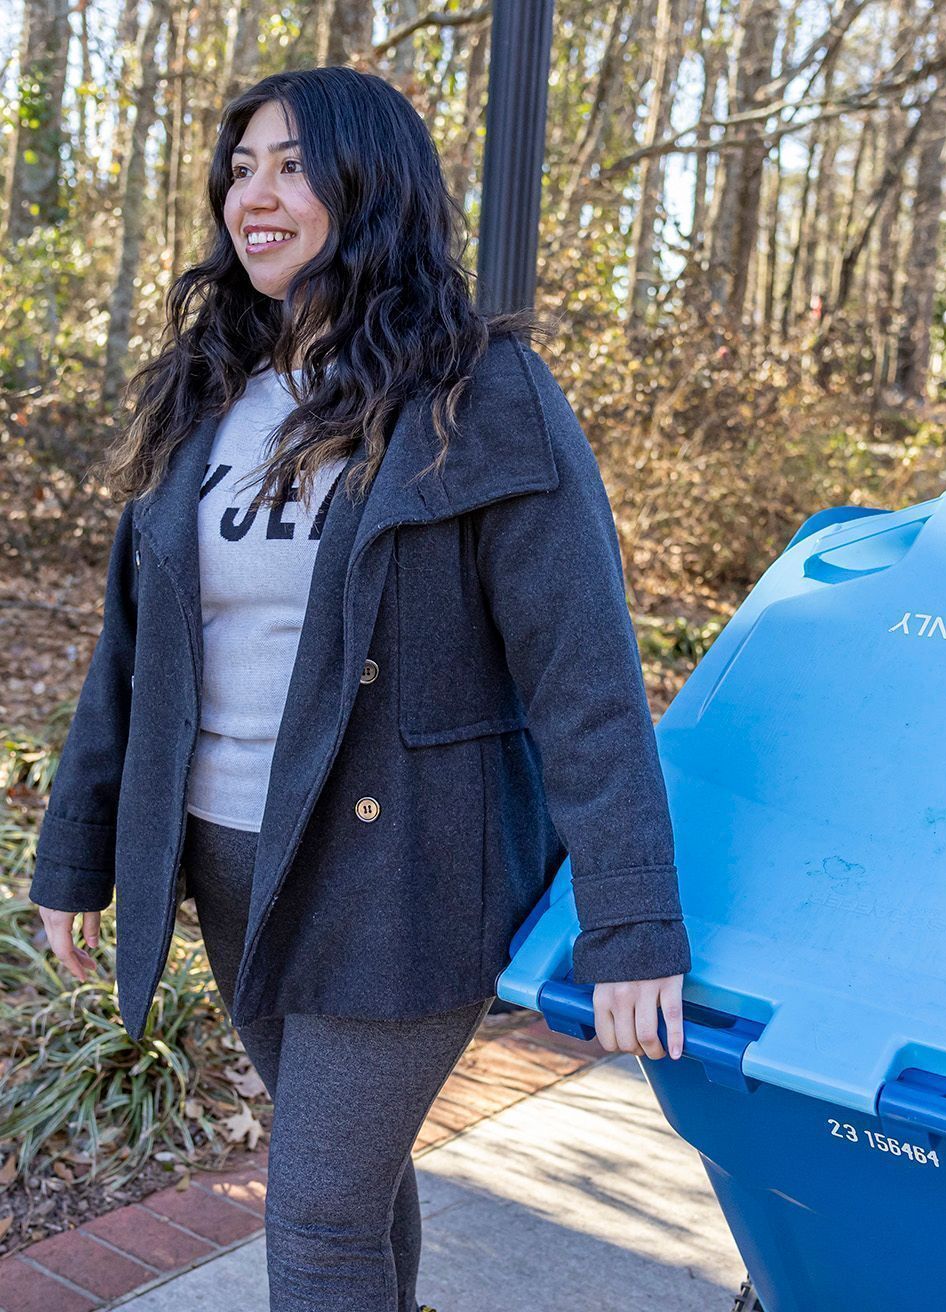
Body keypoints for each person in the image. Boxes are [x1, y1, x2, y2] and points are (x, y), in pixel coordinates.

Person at [27, 66, 690, 1312]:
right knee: (358, 1190)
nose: (252, 195)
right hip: (234, 864)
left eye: (290, 165)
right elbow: (135, 652)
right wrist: (75, 856)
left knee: (317, 1218)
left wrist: (633, 917)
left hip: (403, 869)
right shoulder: (207, 390)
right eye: (239, 167)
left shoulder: (479, 391)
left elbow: (584, 673)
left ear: (368, 183)